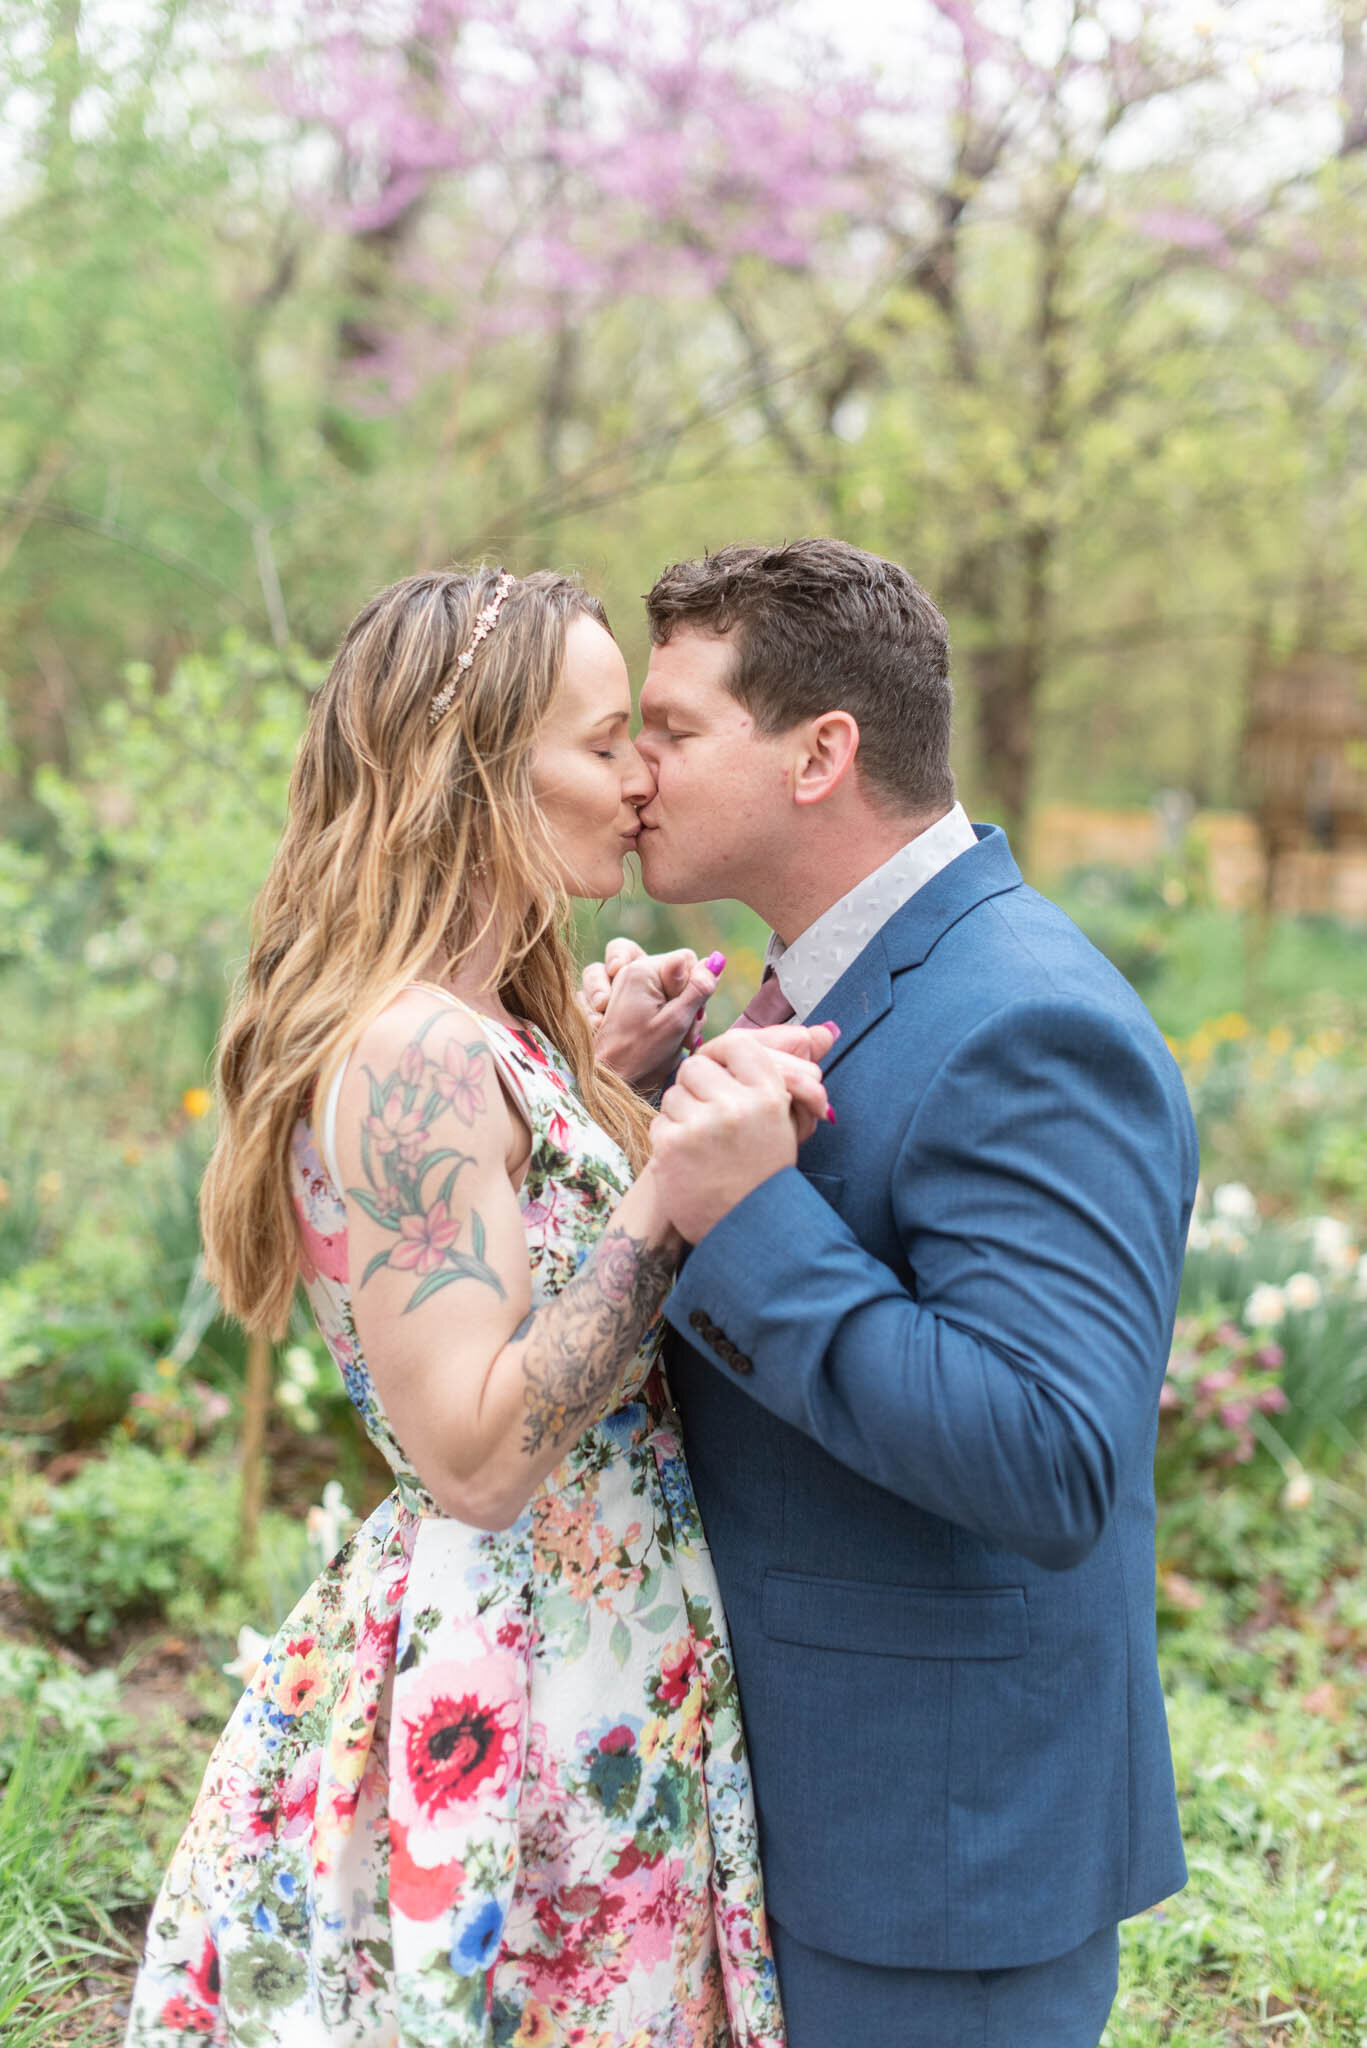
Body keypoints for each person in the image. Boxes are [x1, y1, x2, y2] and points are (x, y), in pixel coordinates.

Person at [124, 567, 830, 2048]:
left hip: (592, 1641)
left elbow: (522, 1281)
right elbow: (474, 1453)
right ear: (478, 777)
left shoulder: (483, 1032)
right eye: (603, 740)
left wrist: (606, 1095)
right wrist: (670, 1193)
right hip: (515, 1674)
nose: (641, 773)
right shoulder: (414, 1053)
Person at [584, 538, 1199, 2048]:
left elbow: (1052, 1455)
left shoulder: (1032, 1022)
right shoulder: (827, 986)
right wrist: (663, 1107)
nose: (635, 773)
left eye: (671, 730)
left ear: (823, 754)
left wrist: (753, 1218)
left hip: (937, 1870)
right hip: (809, 1817)